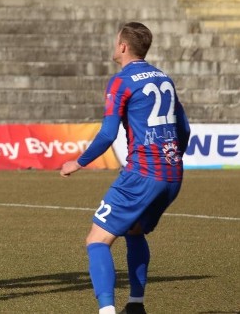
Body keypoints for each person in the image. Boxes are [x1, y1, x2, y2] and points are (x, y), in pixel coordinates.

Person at [61, 22, 190, 314]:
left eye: (115, 40)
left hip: (142, 173)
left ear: (122, 46)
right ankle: (135, 305)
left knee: (97, 240)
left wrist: (77, 163)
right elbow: (184, 130)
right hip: (172, 174)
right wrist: (172, 159)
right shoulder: (164, 78)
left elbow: (108, 134)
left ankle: (106, 311)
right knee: (133, 232)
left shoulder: (122, 80)